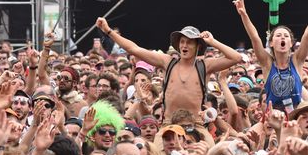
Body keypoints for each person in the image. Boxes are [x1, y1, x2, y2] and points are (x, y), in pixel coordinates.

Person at [95, 17, 241, 124]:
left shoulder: (205, 65)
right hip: (168, 125)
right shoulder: (167, 62)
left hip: (196, 126)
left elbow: (236, 57)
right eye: (182, 41)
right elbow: (133, 49)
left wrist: (213, 42)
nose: (184, 45)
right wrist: (108, 31)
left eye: (189, 42)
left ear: (198, 46)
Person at [233, 0, 308, 112]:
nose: (282, 38)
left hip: (297, 117)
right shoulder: (267, 63)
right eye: (278, 35)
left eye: (286, 36)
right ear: (271, 43)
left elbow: (307, 35)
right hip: (274, 119)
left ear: (291, 43)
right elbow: (254, 37)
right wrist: (244, 15)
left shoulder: (297, 60)